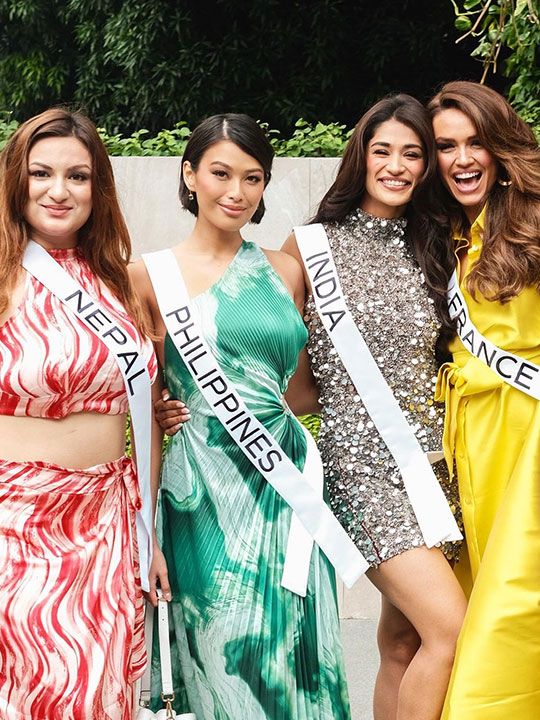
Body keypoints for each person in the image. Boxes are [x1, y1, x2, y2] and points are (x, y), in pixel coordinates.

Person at [157, 96, 467, 720]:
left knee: (403, 641)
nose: (398, 166)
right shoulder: (309, 250)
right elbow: (280, 367)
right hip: (364, 472)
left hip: (439, 467)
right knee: (450, 631)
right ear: (360, 156)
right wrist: (178, 400)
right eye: (382, 151)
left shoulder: (440, 244)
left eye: (413, 154)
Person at [130, 113, 354, 719]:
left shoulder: (284, 272)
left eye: (252, 178)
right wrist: (161, 416)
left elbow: (304, 389)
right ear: (190, 175)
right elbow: (139, 401)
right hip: (201, 491)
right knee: (224, 653)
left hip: (284, 482)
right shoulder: (147, 277)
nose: (236, 191)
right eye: (221, 173)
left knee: (297, 653)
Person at [0, 108, 163, 720]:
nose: (59, 191)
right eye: (42, 173)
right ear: (18, 180)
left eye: (78, 176)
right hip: (14, 523)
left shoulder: (119, 281)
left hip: (107, 523)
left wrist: (149, 531)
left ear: (99, 189)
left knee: (98, 689)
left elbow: (145, 406)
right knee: (26, 690)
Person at [426, 80, 540, 720]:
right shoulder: (458, 233)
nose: (462, 159)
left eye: (475, 143)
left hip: (529, 438)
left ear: (499, 150)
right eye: (446, 146)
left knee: (512, 610)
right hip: (474, 442)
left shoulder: (534, 220)